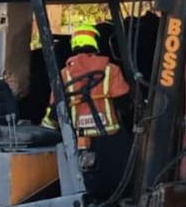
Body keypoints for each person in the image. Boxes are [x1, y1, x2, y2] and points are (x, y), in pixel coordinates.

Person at [43, 24, 132, 198]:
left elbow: (54, 110)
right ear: (96, 43)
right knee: (120, 176)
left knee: (84, 180)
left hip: (78, 140)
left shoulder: (64, 75)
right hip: (109, 137)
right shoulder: (110, 70)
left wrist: (46, 132)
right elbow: (124, 102)